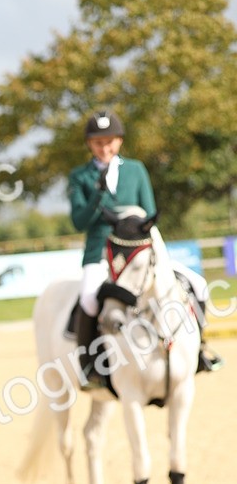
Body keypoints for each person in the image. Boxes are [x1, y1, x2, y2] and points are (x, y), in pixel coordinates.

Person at [69, 109, 221, 391]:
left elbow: (149, 212)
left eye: (110, 141)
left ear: (119, 141)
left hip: (140, 253)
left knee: (198, 285)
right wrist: (99, 194)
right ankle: (90, 368)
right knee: (89, 300)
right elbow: (79, 221)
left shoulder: (136, 170)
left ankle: (199, 352)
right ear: (90, 144)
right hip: (102, 256)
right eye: (99, 142)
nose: (105, 147)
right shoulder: (80, 177)